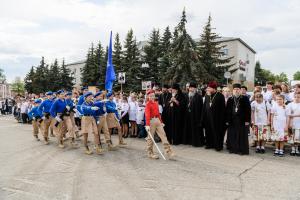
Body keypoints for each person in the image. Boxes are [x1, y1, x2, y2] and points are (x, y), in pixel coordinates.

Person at [145, 89, 175, 159]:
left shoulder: (156, 103)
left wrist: (161, 122)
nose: (152, 97)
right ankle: (150, 153)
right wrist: (147, 124)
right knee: (150, 138)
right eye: (150, 96)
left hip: (157, 120)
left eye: (153, 95)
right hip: (151, 121)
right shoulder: (148, 104)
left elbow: (158, 114)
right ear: (148, 97)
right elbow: (147, 115)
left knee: (163, 135)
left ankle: (168, 151)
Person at [226, 83, 251, 155]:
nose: (236, 91)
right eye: (235, 89)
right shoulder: (230, 99)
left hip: (242, 120)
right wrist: (227, 120)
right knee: (232, 135)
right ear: (233, 90)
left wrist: (247, 120)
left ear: (240, 90)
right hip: (232, 120)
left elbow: (248, 110)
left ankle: (241, 150)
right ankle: (233, 149)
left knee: (241, 135)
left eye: (237, 89)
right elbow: (227, 111)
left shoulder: (245, 98)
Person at [202, 81, 226, 151]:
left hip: (217, 118)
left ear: (214, 88)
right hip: (208, 118)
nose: (207, 89)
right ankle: (209, 144)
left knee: (216, 132)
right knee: (208, 131)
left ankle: (217, 146)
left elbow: (222, 109)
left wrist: (222, 120)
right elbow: (204, 107)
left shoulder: (220, 96)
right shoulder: (207, 95)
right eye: (207, 88)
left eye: (209, 88)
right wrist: (203, 117)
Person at [183, 82, 204, 147]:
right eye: (190, 88)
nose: (191, 89)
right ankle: (189, 141)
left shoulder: (198, 96)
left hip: (195, 116)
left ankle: (196, 142)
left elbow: (201, 107)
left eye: (192, 88)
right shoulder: (186, 95)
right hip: (187, 115)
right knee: (188, 128)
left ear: (195, 88)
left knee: (195, 129)